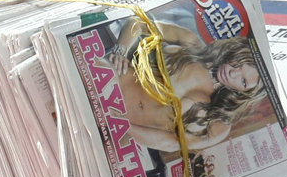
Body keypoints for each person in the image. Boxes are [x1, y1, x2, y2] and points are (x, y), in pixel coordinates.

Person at [104, 18, 268, 153]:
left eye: (243, 81)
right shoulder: (191, 44)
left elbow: (173, 144)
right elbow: (138, 23)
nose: (233, 73)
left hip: (118, 129)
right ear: (235, 52)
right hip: (108, 82)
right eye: (238, 63)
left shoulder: (220, 124)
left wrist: (125, 127)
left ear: (245, 93)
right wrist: (120, 51)